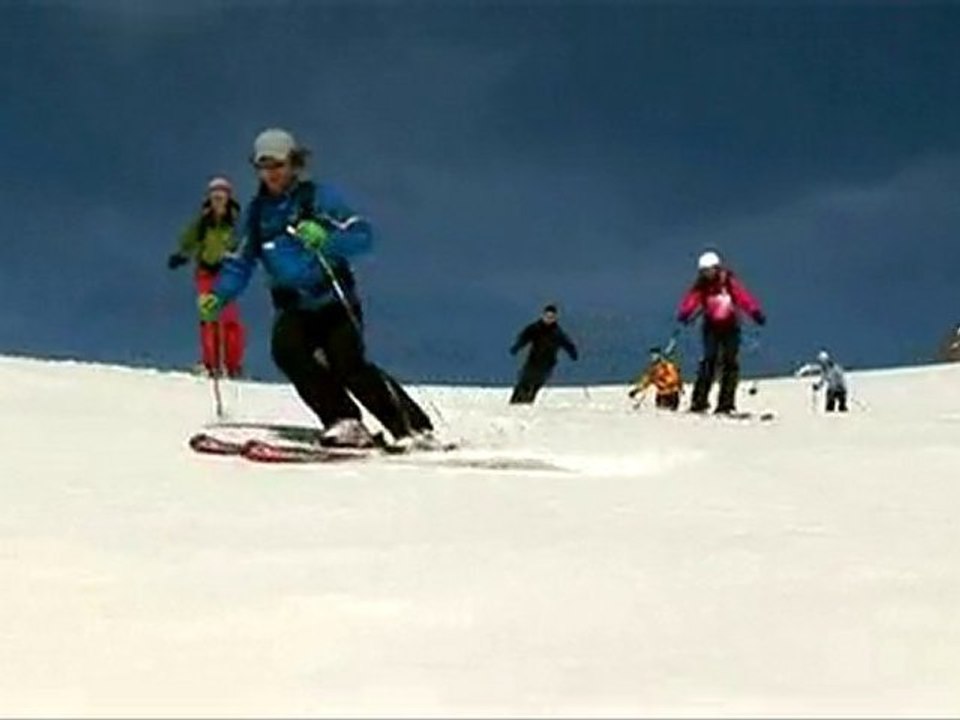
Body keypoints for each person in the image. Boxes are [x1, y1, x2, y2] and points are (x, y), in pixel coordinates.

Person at [198, 128, 433, 448]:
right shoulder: (256, 215)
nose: (271, 173)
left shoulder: (318, 198)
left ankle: (411, 427)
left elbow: (362, 236)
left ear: (294, 163)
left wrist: (328, 240)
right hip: (293, 307)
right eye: (263, 166)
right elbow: (239, 264)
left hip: (332, 299)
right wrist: (218, 296)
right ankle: (344, 420)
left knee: (348, 364)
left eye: (278, 165)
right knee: (288, 352)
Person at [168, 177, 246, 378]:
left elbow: (247, 243)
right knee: (210, 317)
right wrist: (181, 256)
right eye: (214, 195)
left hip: (227, 274)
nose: (218, 199)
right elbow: (189, 240)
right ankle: (211, 363)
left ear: (228, 198)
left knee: (229, 320)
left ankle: (232, 365)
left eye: (221, 195)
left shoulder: (236, 223)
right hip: (206, 273)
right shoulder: (203, 223)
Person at [677, 251, 766, 414]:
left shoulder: (728, 282)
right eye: (704, 271)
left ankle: (726, 404)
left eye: (709, 270)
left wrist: (755, 312)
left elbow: (743, 297)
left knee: (729, 362)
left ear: (716, 268)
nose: (707, 274)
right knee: (709, 361)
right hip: (711, 327)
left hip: (730, 327)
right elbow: (692, 299)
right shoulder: (701, 286)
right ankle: (699, 402)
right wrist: (685, 312)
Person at [509, 304, 579, 404]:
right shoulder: (535, 328)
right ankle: (515, 402)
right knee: (525, 382)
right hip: (533, 361)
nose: (549, 319)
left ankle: (527, 402)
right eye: (547, 316)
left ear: (555, 318)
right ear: (543, 316)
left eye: (552, 317)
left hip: (547, 364)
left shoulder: (558, 333)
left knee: (536, 385)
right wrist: (517, 347)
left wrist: (573, 353)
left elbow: (567, 344)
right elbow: (524, 337)